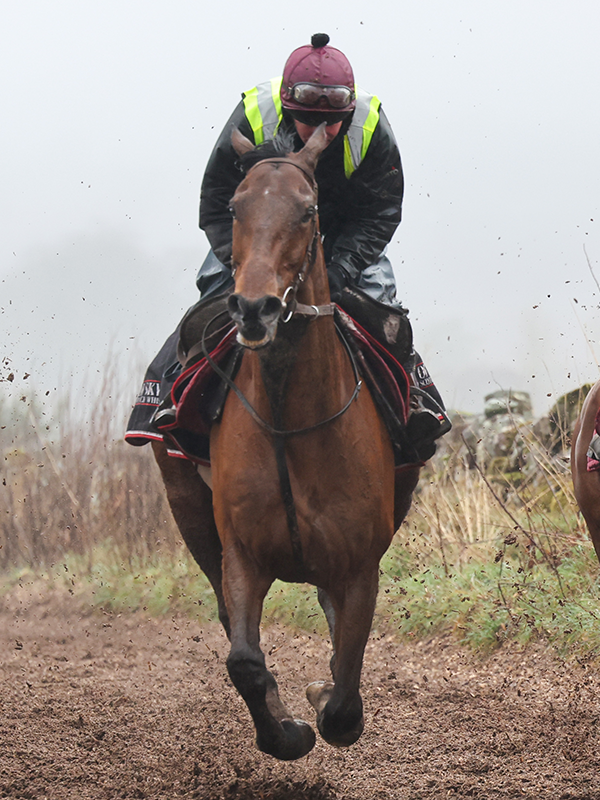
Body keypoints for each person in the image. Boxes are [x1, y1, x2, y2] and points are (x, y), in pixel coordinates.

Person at [126, 33, 450, 461]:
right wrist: (248, 262)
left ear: (349, 111)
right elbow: (217, 201)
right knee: (212, 298)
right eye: (311, 123)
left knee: (382, 306)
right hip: (260, 232)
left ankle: (416, 402)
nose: (323, 133)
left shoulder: (372, 127)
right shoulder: (252, 115)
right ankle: (165, 397)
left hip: (344, 235)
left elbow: (381, 211)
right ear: (288, 108)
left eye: (333, 124)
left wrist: (338, 272)